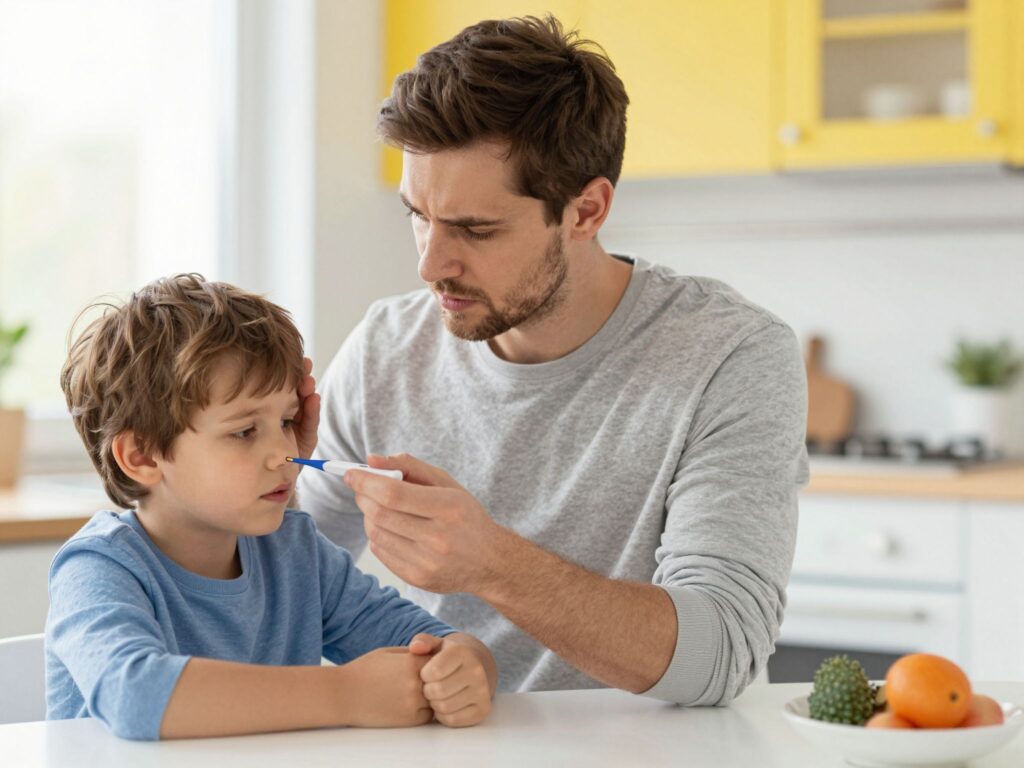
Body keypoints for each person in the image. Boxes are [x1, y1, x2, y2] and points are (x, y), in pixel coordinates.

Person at [296, 15, 807, 706]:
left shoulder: (729, 356)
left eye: (476, 229)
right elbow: (286, 575)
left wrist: (490, 561)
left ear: (586, 210)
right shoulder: (387, 350)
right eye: (418, 214)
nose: (429, 263)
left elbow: (718, 654)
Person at [47, 274, 496, 740]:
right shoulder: (98, 567)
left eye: (286, 421)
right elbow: (136, 695)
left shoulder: (292, 551)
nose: (284, 451)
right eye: (243, 431)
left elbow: (431, 640)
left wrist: (464, 664)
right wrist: (345, 693)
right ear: (141, 456)